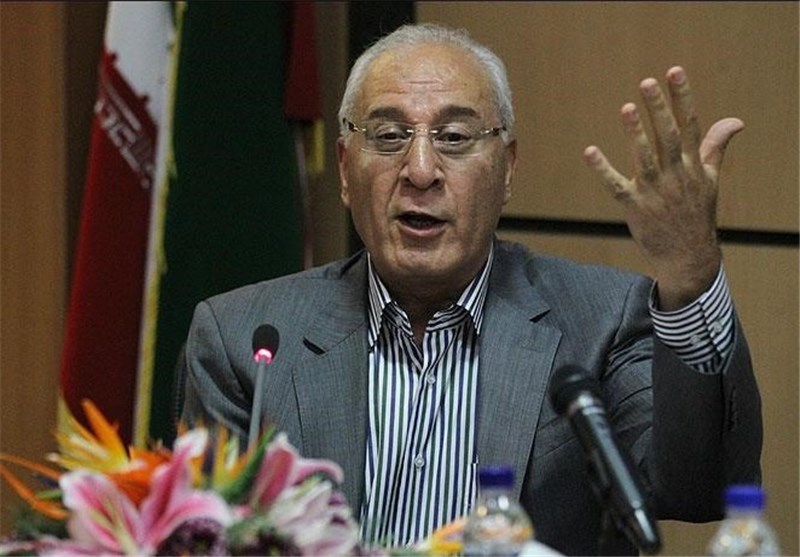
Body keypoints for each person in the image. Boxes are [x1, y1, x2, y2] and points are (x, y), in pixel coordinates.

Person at [181, 23, 762, 555]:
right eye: (389, 136)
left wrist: (690, 274)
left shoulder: (602, 322)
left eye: (455, 137)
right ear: (345, 168)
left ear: (507, 169)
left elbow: (699, 487)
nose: (420, 170)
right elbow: (201, 540)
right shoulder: (244, 342)